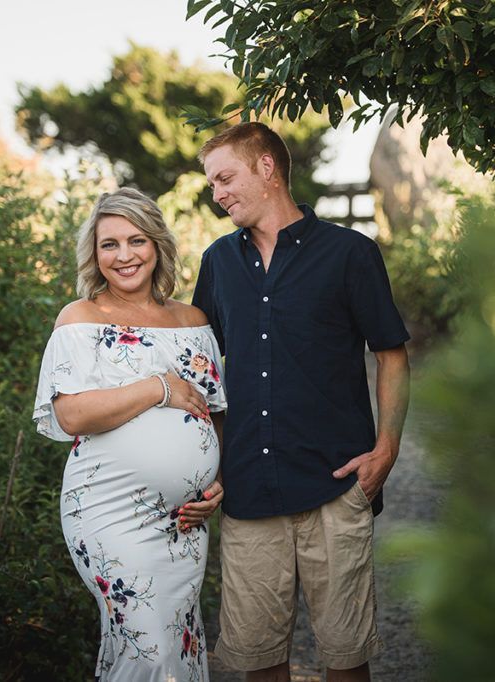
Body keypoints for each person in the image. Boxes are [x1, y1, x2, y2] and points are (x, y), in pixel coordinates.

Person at [193, 122, 411, 682]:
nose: (216, 194)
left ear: (267, 168)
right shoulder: (218, 263)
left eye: (225, 178)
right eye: (211, 183)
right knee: (259, 662)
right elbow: (204, 372)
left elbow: (391, 355)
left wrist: (385, 450)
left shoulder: (351, 254)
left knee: (344, 660)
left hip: (335, 486)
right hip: (247, 491)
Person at [33, 188, 227, 681]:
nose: (124, 256)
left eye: (136, 240)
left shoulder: (193, 322)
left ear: (157, 244)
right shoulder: (80, 319)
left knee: (176, 638)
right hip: (108, 510)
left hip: (184, 522)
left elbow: (214, 413)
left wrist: (214, 480)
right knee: (148, 644)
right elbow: (72, 414)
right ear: (93, 255)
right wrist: (159, 387)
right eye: (109, 244)